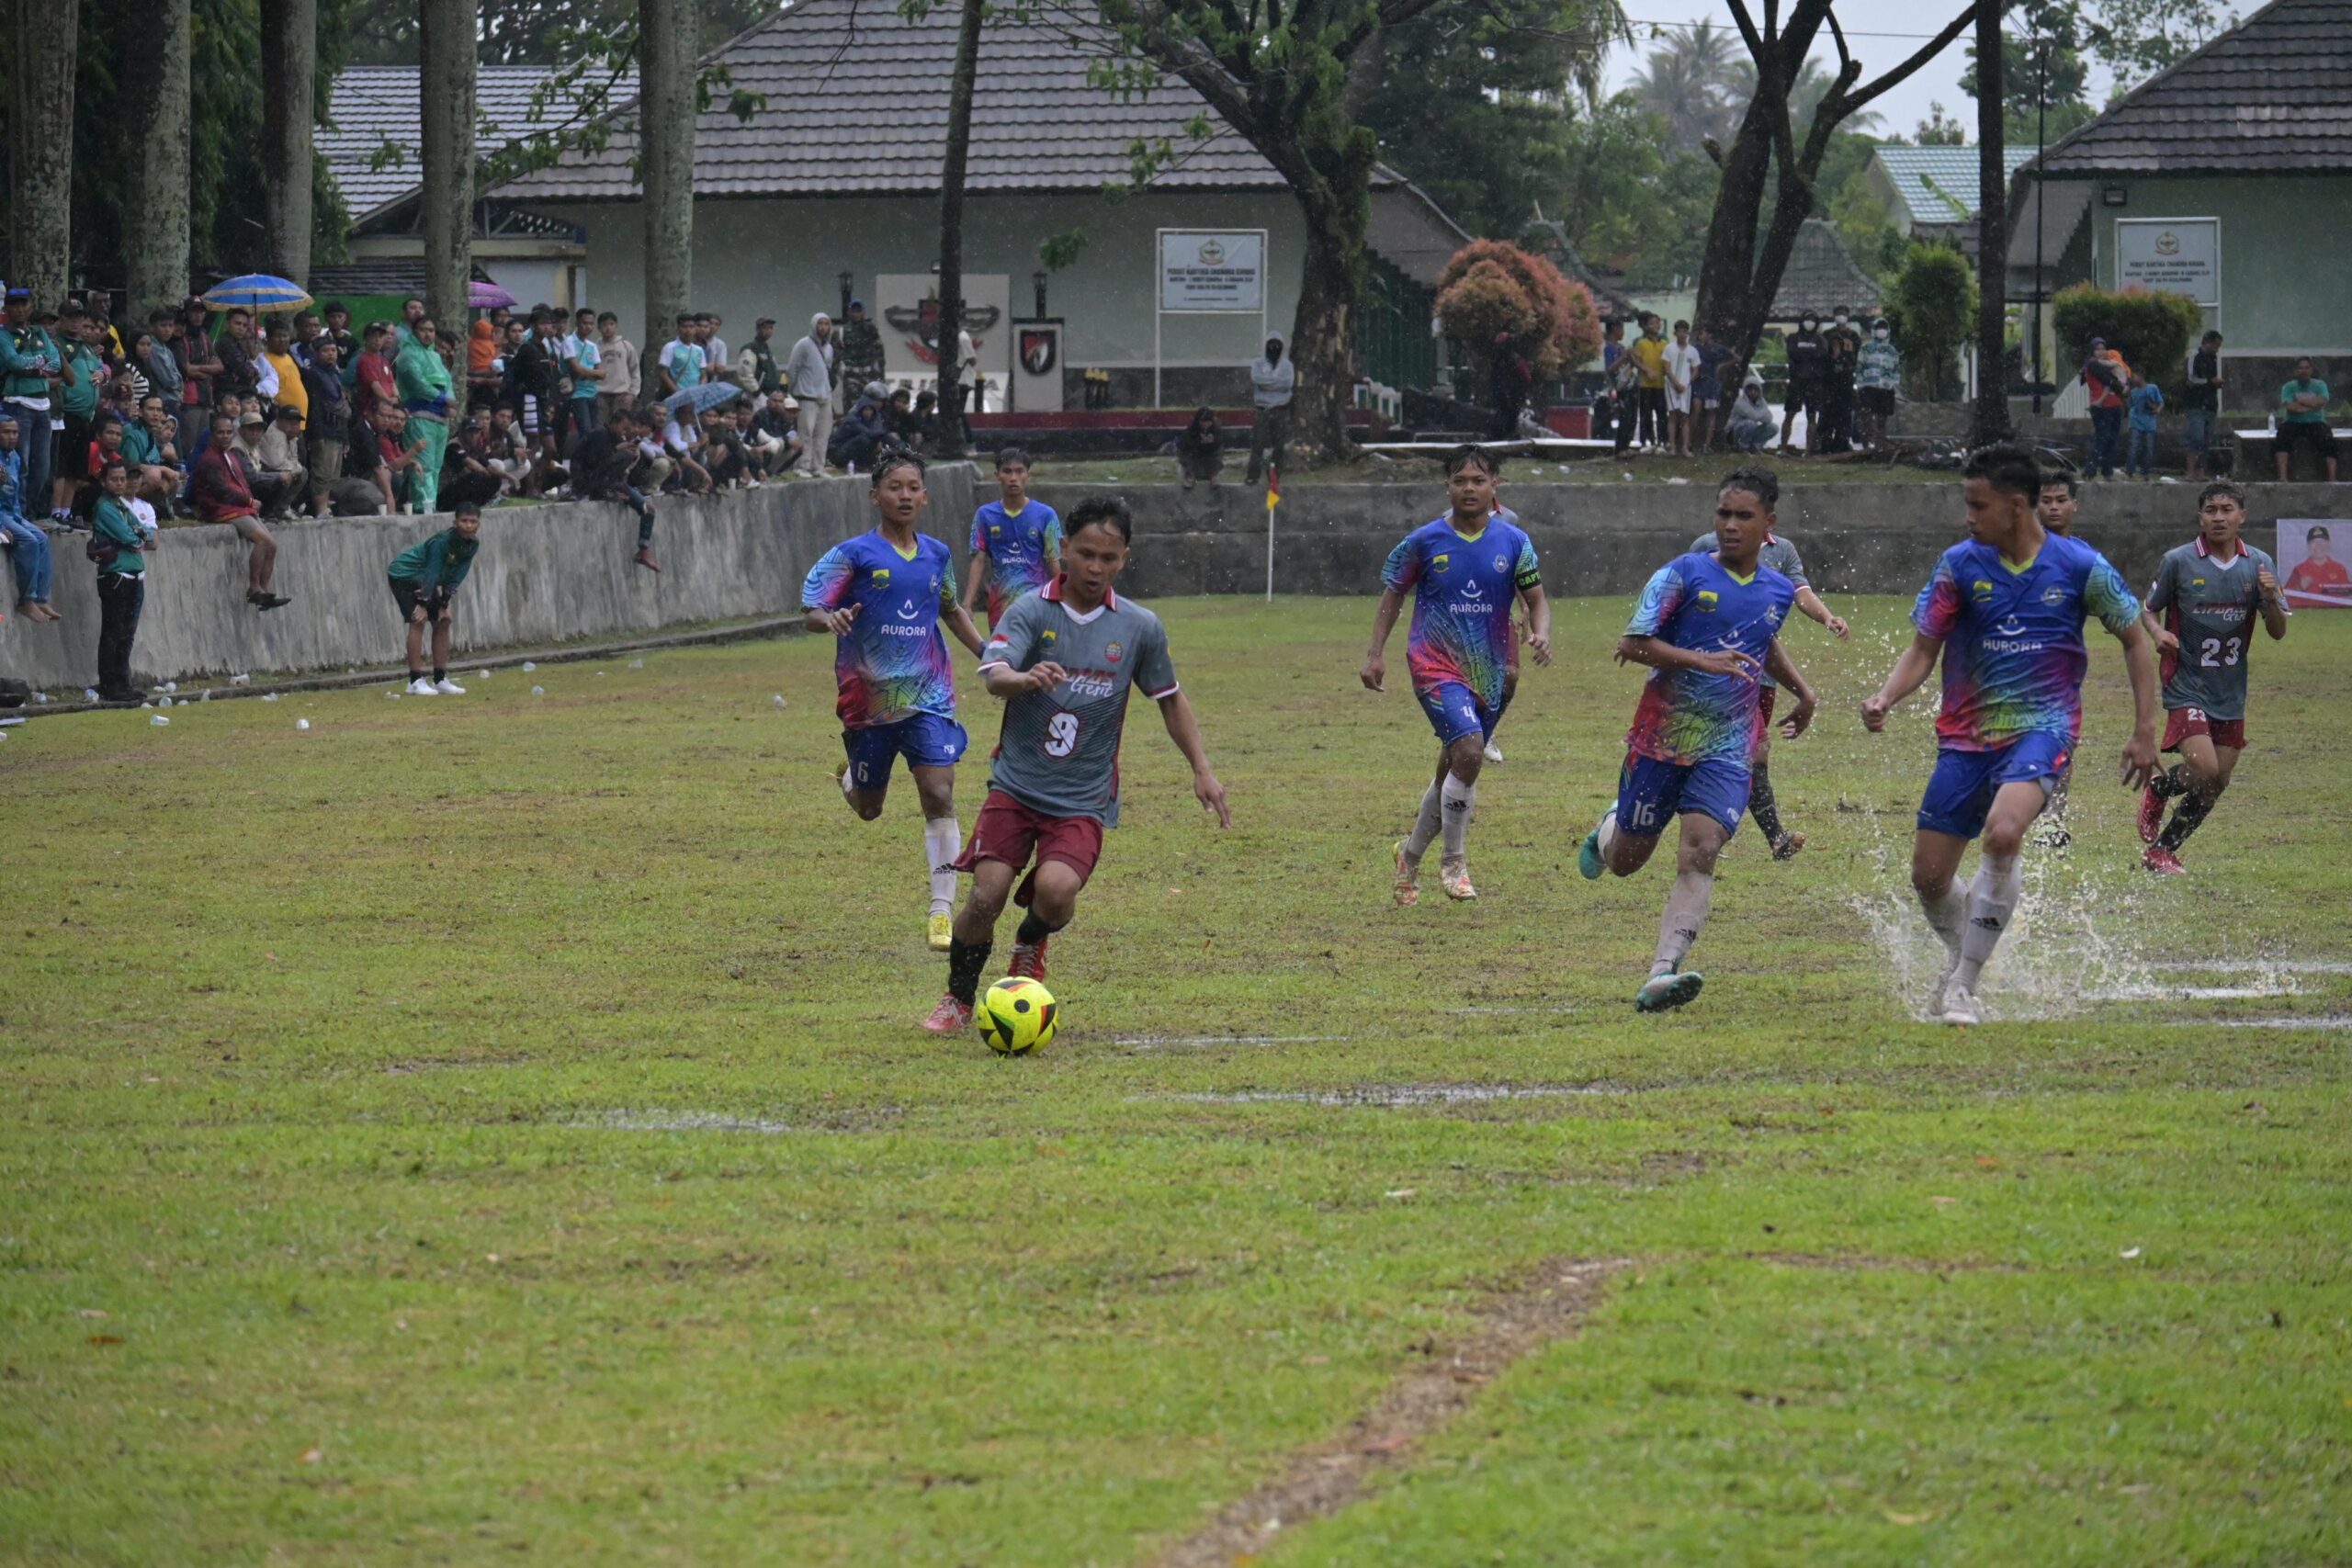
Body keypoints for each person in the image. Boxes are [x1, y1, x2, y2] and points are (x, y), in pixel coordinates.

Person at [1860, 444, 2159, 1025]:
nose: (1968, 517)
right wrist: (1886, 696)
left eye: (1978, 505)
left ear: (2016, 507)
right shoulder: (1959, 566)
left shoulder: (2079, 567)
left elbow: (2134, 639)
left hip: (2043, 730)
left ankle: (1963, 986)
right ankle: (1968, 947)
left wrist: (2145, 730)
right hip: (1965, 738)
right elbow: (1925, 648)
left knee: (2003, 833)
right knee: (1927, 879)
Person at [924, 492, 1230, 1032]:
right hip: (1015, 788)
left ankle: (1030, 941)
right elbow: (994, 673)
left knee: (1058, 892)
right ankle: (957, 998)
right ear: (1064, 549)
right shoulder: (1030, 610)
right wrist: (1024, 678)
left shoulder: (1139, 627)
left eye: (1108, 558)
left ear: (1125, 559)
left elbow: (1170, 698)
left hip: (1082, 799)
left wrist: (1201, 769)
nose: (1095, 567)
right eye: (1086, 553)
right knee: (985, 895)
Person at [1577, 468, 1815, 1012]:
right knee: (1626, 861)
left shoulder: (1778, 590)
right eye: (1723, 515)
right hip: (1660, 740)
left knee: (1702, 849)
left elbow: (1763, 640)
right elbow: (1632, 643)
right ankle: (1611, 825)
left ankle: (1662, 972)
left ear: (1769, 525)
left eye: (1743, 517)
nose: (1730, 526)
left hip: (1728, 745)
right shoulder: (1681, 574)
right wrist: (1702, 659)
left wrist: (1805, 692)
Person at [800, 450, 989, 952]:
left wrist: (988, 656)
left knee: (940, 793)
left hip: (928, 694)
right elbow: (812, 608)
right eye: (894, 487)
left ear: (925, 496)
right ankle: (852, 778)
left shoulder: (937, 555)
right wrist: (831, 619)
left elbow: (951, 610)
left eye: (913, 487)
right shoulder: (854, 554)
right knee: (869, 809)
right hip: (869, 704)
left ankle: (941, 911)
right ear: (875, 496)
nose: (904, 495)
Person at [1361, 446, 1550, 905]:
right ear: (1447, 486)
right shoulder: (1424, 541)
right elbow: (1393, 595)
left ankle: (1408, 858)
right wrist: (1375, 654)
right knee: (1469, 751)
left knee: (1455, 764)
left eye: (1478, 481)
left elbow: (1537, 599)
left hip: (1489, 669)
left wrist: (1541, 633)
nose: (1469, 488)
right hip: (1433, 662)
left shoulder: (1513, 542)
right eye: (1460, 481)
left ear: (1495, 487)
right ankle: (1454, 862)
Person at [2134, 480, 2290, 874]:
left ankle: (2162, 850)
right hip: (2186, 683)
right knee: (2203, 768)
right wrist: (2158, 633)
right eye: (2211, 510)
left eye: (2227, 509)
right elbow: (2149, 608)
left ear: (2242, 516)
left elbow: (2277, 631)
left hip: (2231, 689)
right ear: (2200, 516)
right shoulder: (2179, 561)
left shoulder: (2259, 563)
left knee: (2217, 781)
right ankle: (2159, 789)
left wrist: (2270, 599)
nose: (2219, 517)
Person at [1682, 513, 1849, 859]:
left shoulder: (1782, 551)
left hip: (1761, 675)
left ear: (1769, 518)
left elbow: (1801, 592)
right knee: (1727, 755)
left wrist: (1827, 617)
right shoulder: (1704, 548)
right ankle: (1757, 835)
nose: (1736, 523)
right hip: (1710, 675)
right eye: (1731, 512)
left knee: (1749, 758)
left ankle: (1752, 836)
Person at [193, 411, 290, 610]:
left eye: (229, 432)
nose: (225, 436)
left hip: (240, 506)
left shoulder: (230, 455)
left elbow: (241, 483)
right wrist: (248, 500)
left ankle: (263, 591)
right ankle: (254, 587)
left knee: (272, 546)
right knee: (263, 541)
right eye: (221, 433)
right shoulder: (210, 459)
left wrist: (249, 501)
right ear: (212, 435)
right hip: (222, 509)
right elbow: (221, 491)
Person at [388, 500, 484, 695]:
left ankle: (440, 679)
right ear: (455, 522)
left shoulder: (472, 544)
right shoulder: (441, 542)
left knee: (444, 620)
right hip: (404, 576)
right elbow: (432, 572)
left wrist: (444, 602)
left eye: (473, 521)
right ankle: (415, 681)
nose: (468, 525)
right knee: (418, 620)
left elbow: (459, 573)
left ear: (478, 525)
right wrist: (423, 604)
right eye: (464, 521)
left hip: (425, 580)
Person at [962, 447, 1061, 631]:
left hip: (1038, 605)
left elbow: (1053, 560)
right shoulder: (985, 515)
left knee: (1039, 659)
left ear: (1028, 475)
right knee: (1004, 659)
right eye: (1007, 471)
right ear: (997, 475)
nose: (1013, 477)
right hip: (1000, 607)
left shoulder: (1046, 515)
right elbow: (978, 560)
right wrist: (968, 604)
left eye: (1019, 471)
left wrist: (1063, 600)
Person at [89, 459, 152, 702]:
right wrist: (138, 537)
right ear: (104, 481)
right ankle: (110, 684)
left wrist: (139, 536)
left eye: (122, 479)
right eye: (114, 479)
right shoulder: (104, 507)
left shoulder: (122, 506)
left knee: (128, 632)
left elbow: (144, 531)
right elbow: (130, 536)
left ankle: (123, 681)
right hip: (116, 575)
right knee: (113, 632)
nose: (119, 483)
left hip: (135, 574)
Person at [571, 405, 659, 564]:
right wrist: (618, 449)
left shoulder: (618, 440)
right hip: (589, 480)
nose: (625, 432)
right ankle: (604, 490)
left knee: (649, 510)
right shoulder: (599, 435)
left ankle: (643, 550)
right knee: (625, 455)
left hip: (613, 483)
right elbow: (592, 462)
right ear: (614, 423)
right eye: (623, 428)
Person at [0, 415, 60, 621]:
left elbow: (15, 494)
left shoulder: (14, 458)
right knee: (29, 541)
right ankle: (26, 601)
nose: (11, 437)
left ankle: (41, 599)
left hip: (12, 513)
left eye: (15, 432)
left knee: (41, 538)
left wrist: (19, 518)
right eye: (6, 432)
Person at [396, 318, 455, 513]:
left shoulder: (436, 357)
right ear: (414, 331)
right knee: (423, 466)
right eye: (423, 330)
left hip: (440, 420)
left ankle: (431, 506)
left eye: (431, 330)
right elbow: (417, 383)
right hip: (420, 417)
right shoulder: (408, 354)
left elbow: (447, 381)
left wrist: (450, 403)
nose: (428, 334)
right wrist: (442, 399)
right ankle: (422, 508)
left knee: (435, 468)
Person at [301, 336, 351, 517]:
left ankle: (325, 508)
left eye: (333, 350)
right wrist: (316, 435)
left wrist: (345, 436)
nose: (331, 354)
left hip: (338, 429)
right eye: (325, 351)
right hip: (324, 429)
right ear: (316, 354)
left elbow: (343, 406)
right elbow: (313, 407)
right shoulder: (312, 374)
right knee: (322, 471)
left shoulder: (335, 375)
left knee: (333, 474)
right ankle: (320, 509)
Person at [786, 314, 837, 477]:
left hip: (825, 397)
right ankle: (802, 465)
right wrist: (793, 390)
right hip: (806, 397)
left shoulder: (829, 348)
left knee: (823, 434)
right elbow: (792, 369)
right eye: (820, 324)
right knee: (806, 433)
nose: (823, 327)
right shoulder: (803, 345)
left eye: (826, 324)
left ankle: (818, 466)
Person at [2274, 355, 2337, 482]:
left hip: (2316, 422)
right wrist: (2312, 404)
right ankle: (2283, 477)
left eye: (2306, 368)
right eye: (2301, 368)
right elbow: (2291, 407)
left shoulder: (2320, 385)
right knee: (2281, 439)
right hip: (2293, 422)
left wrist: (2301, 402)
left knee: (2329, 441)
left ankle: (2332, 478)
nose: (2304, 371)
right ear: (2296, 370)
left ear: (2311, 370)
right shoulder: (2288, 387)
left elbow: (2322, 401)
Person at [1244, 334, 1295, 486]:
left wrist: (1267, 384)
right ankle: (1253, 475)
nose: (1274, 348)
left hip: (1280, 409)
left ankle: (1275, 477)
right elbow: (1256, 379)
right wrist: (1276, 383)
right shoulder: (1258, 363)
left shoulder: (1287, 365)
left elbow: (1287, 384)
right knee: (1258, 444)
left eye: (1277, 345)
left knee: (1279, 446)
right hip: (1262, 409)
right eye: (1271, 344)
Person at [2080, 336, 2129, 479]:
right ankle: (2090, 470)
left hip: (2114, 405)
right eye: (2097, 349)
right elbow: (2108, 379)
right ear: (2092, 351)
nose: (2101, 352)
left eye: (2103, 349)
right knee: (2102, 438)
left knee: (2112, 439)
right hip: (2102, 406)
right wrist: (2121, 388)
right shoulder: (2093, 365)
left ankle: (2107, 470)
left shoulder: (2107, 364)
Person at [252, 405, 311, 516]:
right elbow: (277, 464)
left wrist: (295, 468)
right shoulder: (274, 434)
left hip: (278, 469)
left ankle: (281, 509)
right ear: (279, 421)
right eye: (290, 422)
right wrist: (295, 468)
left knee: (302, 473)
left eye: (297, 422)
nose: (295, 426)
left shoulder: (291, 436)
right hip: (263, 473)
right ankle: (269, 511)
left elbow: (293, 459)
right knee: (287, 475)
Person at [1781, 313, 1826, 454]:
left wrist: (1806, 354)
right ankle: (1783, 447)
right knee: (1789, 415)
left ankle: (1809, 450)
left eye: (1813, 320)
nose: (1810, 322)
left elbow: (1822, 355)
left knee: (1812, 416)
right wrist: (1810, 354)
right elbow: (1793, 353)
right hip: (1796, 382)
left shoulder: (1820, 340)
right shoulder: (1793, 338)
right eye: (1808, 319)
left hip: (1814, 383)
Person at [1855, 318, 1900, 453]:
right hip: (1868, 388)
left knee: (1882, 419)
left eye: (1884, 328)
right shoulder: (1865, 348)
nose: (1882, 330)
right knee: (1866, 418)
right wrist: (1861, 385)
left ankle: (1881, 447)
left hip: (1885, 389)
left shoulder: (1893, 351)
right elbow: (1859, 368)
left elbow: (1896, 371)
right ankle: (1866, 446)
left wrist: (1891, 384)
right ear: (1874, 331)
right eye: (1879, 327)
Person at [2183, 330, 2223, 479]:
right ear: (2209, 343)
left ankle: (2200, 471)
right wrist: (2209, 382)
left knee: (2206, 441)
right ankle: (2190, 471)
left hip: (2210, 404)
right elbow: (2191, 379)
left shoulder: (2213, 359)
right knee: (2196, 438)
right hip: (2196, 404)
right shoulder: (2195, 357)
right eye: (2216, 346)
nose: (2217, 349)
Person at [1821, 307, 1861, 453]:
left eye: (1843, 314)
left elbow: (1857, 357)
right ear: (1834, 316)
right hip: (1830, 381)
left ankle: (1842, 442)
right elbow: (1823, 357)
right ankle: (1825, 443)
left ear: (1848, 317)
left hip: (1846, 380)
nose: (1841, 317)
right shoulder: (1827, 335)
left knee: (1845, 414)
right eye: (1838, 314)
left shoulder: (1853, 336)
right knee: (1827, 414)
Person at [2284, 523, 2350, 606]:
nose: (2319, 546)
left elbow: (2348, 599)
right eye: (2314, 542)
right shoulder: (2299, 569)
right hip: (2308, 616)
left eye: (2322, 541)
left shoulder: (2339, 568)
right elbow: (2285, 600)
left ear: (2328, 544)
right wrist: (2299, 588)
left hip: (2335, 616)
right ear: (2308, 546)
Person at [1628, 313, 1668, 452]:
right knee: (1646, 413)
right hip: (1645, 384)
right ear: (1646, 326)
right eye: (1652, 323)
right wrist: (1647, 371)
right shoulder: (1641, 343)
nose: (1655, 326)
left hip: (1661, 384)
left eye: (1657, 323)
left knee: (1662, 413)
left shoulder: (1665, 344)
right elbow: (1636, 361)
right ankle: (1646, 441)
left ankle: (1663, 441)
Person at [1663, 321, 1700, 457]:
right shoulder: (1669, 348)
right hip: (1671, 385)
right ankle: (1672, 447)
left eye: (1685, 331)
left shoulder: (1693, 351)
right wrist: (1676, 383)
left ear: (1688, 333)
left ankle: (1685, 447)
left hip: (1686, 386)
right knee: (1673, 415)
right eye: (1680, 331)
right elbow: (1666, 368)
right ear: (1675, 333)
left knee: (1685, 416)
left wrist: (1687, 382)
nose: (1682, 334)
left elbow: (1696, 369)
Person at [836, 300, 886, 399]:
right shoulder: (843, 331)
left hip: (870, 374)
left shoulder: (871, 328)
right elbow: (838, 354)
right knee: (852, 406)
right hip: (851, 375)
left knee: (870, 404)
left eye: (858, 311)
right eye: (853, 311)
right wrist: (841, 371)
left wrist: (881, 374)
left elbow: (880, 352)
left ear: (863, 312)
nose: (856, 314)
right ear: (848, 312)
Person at [596, 313, 640, 423]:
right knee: (602, 427)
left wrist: (633, 393)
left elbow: (635, 370)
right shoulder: (595, 348)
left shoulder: (626, 346)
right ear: (599, 328)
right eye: (604, 325)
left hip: (622, 394)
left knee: (621, 427)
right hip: (601, 394)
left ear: (616, 326)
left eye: (611, 324)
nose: (608, 328)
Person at [1690, 326, 1727, 453]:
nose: (1700, 335)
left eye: (1703, 333)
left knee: (1711, 413)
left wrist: (1722, 366)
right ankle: (1689, 441)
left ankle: (1707, 444)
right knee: (1696, 410)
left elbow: (1735, 358)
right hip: (1698, 381)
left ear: (1710, 334)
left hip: (1712, 383)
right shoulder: (1696, 348)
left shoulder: (1718, 348)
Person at [1488, 332, 1532, 441]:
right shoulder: (1512, 359)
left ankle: (1503, 438)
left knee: (1506, 418)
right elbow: (1526, 377)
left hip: (1508, 396)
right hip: (1510, 396)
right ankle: (1506, 438)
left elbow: (1525, 377)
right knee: (1508, 418)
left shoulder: (1502, 360)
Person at [2125, 369, 2165, 479]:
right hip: (2135, 421)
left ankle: (2145, 471)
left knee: (2149, 448)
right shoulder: (2133, 392)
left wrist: (2157, 410)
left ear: (2141, 376)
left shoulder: (2153, 388)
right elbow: (2130, 405)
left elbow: (2161, 402)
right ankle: (2130, 470)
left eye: (2135, 377)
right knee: (2134, 446)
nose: (2133, 379)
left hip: (2149, 422)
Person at [656, 312, 704, 397]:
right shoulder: (670, 347)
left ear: (695, 329)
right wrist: (678, 393)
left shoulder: (699, 350)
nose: (688, 330)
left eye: (691, 327)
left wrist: (701, 390)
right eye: (684, 327)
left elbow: (703, 374)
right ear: (678, 328)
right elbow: (663, 374)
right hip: (676, 394)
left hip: (695, 394)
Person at [1724, 375, 1774, 452]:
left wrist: (1761, 414)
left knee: (1773, 427)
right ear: (1745, 390)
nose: (1753, 392)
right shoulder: (1740, 402)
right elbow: (1754, 416)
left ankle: (1755, 446)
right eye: (1750, 389)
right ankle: (1741, 446)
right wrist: (1764, 412)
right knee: (1749, 423)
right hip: (1734, 433)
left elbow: (1769, 419)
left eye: (1755, 389)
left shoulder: (1761, 401)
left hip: (1750, 430)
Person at [1176, 404, 1222, 488]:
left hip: (1208, 460)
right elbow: (1183, 446)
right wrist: (1199, 442)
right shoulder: (1191, 431)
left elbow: (1219, 444)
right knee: (1188, 456)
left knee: (1217, 453)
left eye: (1208, 422)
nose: (1206, 424)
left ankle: (1214, 477)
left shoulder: (1215, 431)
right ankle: (1190, 477)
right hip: (1194, 460)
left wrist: (1212, 443)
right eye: (1203, 422)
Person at [737, 316, 782, 396]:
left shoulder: (766, 349)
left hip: (770, 394)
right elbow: (745, 373)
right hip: (756, 396)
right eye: (765, 328)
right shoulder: (750, 348)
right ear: (757, 330)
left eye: (771, 328)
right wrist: (756, 391)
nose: (768, 331)